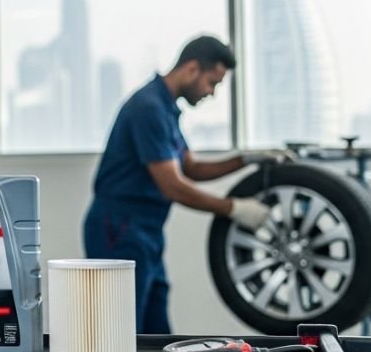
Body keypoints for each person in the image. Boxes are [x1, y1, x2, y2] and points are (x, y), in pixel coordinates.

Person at [82, 35, 281, 334]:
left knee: (156, 334)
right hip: (118, 230)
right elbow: (173, 186)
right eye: (212, 82)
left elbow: (190, 168)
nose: (211, 93)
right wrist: (234, 209)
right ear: (191, 69)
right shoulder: (148, 108)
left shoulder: (166, 109)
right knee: (120, 336)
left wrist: (245, 160)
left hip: (145, 232)